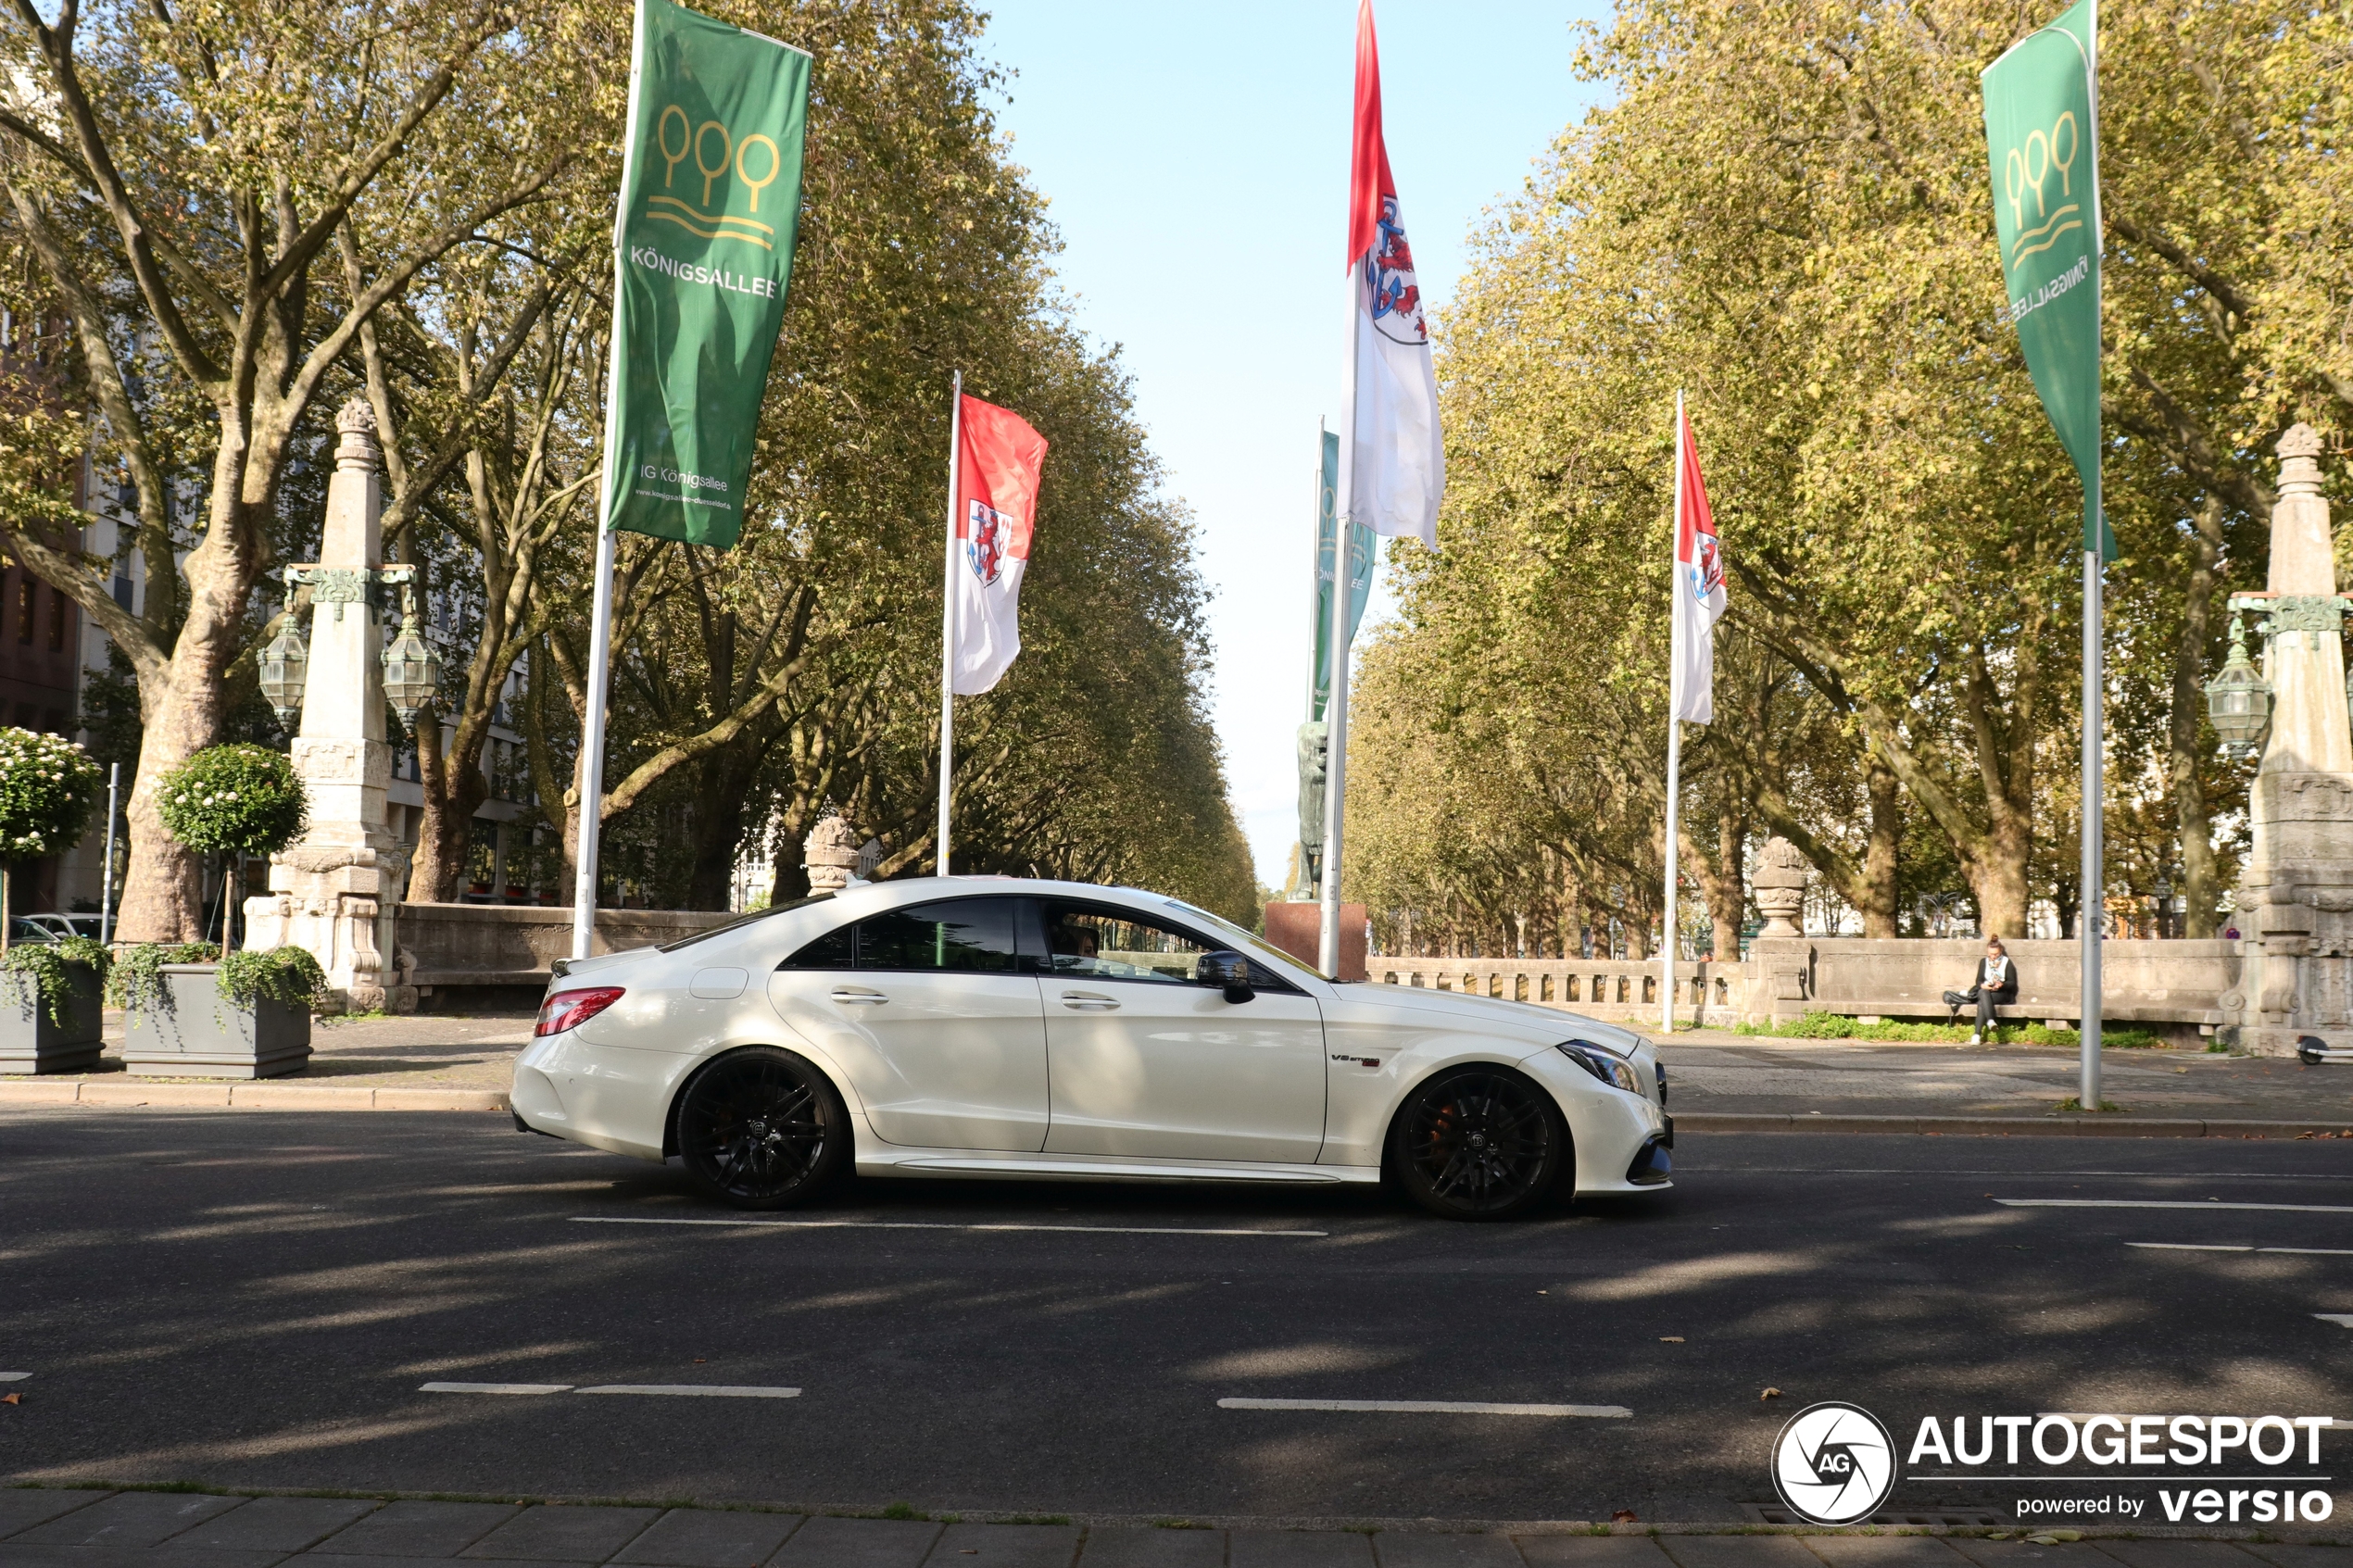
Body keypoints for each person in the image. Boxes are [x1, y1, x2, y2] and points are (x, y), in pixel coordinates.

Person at [1942, 936, 2019, 1045]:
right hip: (1986, 991)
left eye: (1995, 954)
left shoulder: (2007, 962)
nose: (1992, 957)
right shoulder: (1984, 962)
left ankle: (1977, 1034)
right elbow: (1978, 980)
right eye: (1990, 954)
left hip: (2001, 993)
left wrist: (2001, 985)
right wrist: (1983, 986)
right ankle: (1990, 1022)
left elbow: (2012, 983)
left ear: (2000, 951)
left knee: (1982, 999)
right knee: (1983, 993)